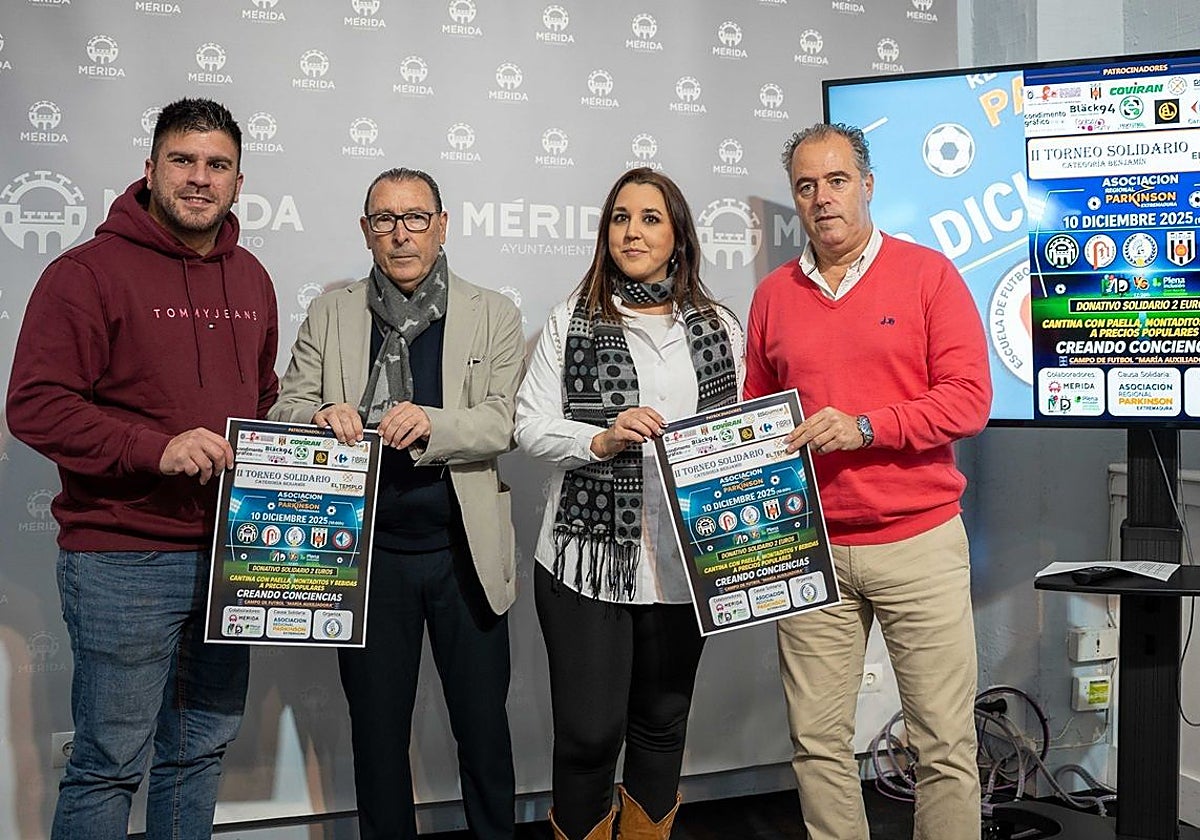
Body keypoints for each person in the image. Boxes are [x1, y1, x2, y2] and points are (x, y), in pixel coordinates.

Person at [6, 98, 279, 839]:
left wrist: (302, 444)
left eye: (217, 165)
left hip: (230, 556)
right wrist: (153, 448)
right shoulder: (85, 274)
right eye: (182, 161)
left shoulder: (251, 277)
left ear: (238, 181)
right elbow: (34, 405)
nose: (200, 178)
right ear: (150, 169)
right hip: (123, 557)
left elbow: (260, 398)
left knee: (199, 751)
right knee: (109, 762)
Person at [743, 122, 992, 840]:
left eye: (837, 180)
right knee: (817, 743)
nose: (822, 198)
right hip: (809, 550)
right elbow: (756, 418)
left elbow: (968, 400)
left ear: (868, 185)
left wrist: (867, 427)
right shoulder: (773, 296)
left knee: (943, 743)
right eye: (806, 186)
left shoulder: (928, 275)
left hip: (919, 543)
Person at [268, 167, 522, 840]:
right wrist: (319, 415)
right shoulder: (332, 312)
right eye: (385, 220)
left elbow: (504, 422)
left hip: (464, 553)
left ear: (442, 226)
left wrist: (435, 423)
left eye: (415, 218)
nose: (401, 234)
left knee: (484, 731)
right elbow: (287, 407)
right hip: (366, 556)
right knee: (377, 737)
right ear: (366, 230)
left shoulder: (492, 311)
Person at [515, 167, 743, 840]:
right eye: (620, 218)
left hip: (684, 558)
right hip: (584, 559)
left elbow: (739, 433)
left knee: (662, 723)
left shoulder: (719, 326)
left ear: (679, 237)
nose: (632, 232)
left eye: (650, 218)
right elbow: (529, 426)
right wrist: (601, 438)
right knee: (589, 734)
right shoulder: (571, 320)